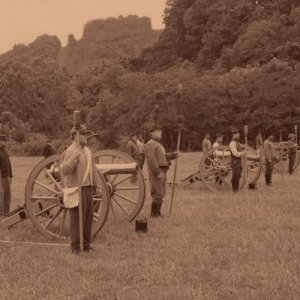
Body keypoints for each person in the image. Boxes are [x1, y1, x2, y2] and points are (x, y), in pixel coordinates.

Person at [61, 125, 102, 254]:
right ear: (75, 136)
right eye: (83, 134)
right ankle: (76, 247)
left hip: (88, 188)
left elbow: (93, 169)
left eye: (86, 134)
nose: (86, 137)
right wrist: (74, 158)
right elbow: (65, 170)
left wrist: (98, 185)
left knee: (88, 218)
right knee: (76, 219)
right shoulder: (70, 151)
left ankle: (86, 243)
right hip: (76, 189)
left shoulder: (88, 151)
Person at [145, 125, 177, 217]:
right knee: (157, 192)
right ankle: (154, 214)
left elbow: (163, 156)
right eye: (158, 131)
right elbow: (151, 160)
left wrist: (173, 155)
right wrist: (158, 172)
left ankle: (157, 213)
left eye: (160, 131)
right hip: (157, 171)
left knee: (161, 192)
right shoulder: (150, 144)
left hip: (162, 170)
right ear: (152, 133)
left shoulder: (158, 144)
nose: (160, 133)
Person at [229, 128, 246, 192]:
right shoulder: (232, 143)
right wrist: (243, 153)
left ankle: (237, 189)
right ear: (234, 135)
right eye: (238, 134)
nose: (239, 135)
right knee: (235, 175)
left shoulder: (237, 142)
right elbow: (235, 153)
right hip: (235, 161)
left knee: (238, 175)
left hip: (238, 161)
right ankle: (234, 190)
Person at [0, 135, 12, 217]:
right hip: (0, 177)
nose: (3, 142)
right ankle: (1, 215)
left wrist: (10, 176)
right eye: (2, 141)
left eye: (4, 141)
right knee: (1, 196)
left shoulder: (6, 152)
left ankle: (7, 214)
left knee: (8, 196)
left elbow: (9, 164)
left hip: (7, 177)